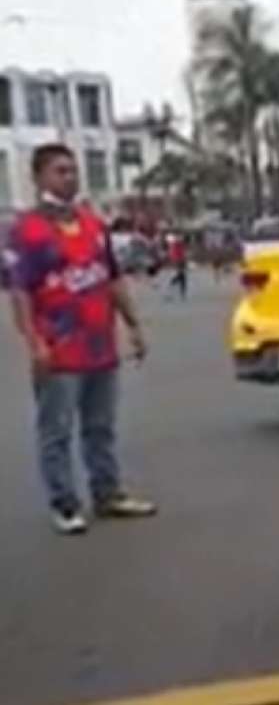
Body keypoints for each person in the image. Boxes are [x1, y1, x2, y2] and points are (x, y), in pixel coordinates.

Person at [4, 144, 157, 535]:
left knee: (100, 426)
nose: (70, 177)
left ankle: (107, 494)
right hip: (58, 349)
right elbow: (20, 292)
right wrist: (34, 343)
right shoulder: (26, 230)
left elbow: (112, 278)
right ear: (39, 178)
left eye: (73, 170)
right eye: (60, 171)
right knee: (56, 431)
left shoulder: (92, 224)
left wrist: (134, 325)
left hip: (100, 346)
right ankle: (64, 503)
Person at [166, 233, 188, 301]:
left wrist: (184, 259)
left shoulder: (179, 245)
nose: (182, 239)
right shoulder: (175, 244)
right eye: (180, 237)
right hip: (178, 261)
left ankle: (180, 293)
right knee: (180, 276)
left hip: (180, 261)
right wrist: (178, 261)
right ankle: (170, 291)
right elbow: (174, 254)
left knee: (182, 277)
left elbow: (182, 253)